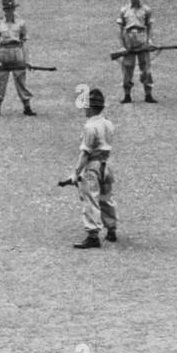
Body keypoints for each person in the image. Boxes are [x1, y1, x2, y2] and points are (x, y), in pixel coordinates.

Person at [71, 88, 117, 249]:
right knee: (106, 198)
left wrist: (76, 172)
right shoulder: (107, 123)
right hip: (106, 163)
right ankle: (111, 228)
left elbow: (85, 153)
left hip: (93, 166)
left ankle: (93, 235)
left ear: (90, 108)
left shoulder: (90, 127)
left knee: (90, 198)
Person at [0, 0, 34, 117]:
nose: (10, 11)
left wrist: (26, 60)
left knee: (20, 80)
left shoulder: (21, 23)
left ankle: (27, 106)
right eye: (7, 9)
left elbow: (24, 42)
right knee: (0, 81)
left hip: (16, 52)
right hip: (4, 52)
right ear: (4, 10)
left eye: (12, 8)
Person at [117, 0, 156, 104]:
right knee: (127, 69)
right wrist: (123, 45)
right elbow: (120, 30)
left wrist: (149, 40)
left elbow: (149, 27)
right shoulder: (124, 10)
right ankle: (127, 95)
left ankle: (148, 94)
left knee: (146, 70)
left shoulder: (146, 10)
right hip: (129, 41)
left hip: (142, 40)